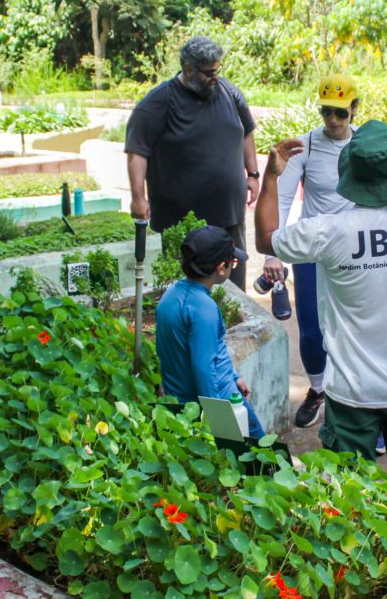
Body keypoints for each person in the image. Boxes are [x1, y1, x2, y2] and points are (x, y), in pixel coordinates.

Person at [255, 121, 387, 487]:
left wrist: (272, 178)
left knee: (348, 495)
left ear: (350, 173)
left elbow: (265, 239)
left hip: (350, 391)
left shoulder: (327, 229)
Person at [262, 74, 358, 430]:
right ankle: (318, 389)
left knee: (354, 324)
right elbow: (284, 197)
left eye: (340, 112)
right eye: (326, 112)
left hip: (353, 248)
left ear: (354, 109)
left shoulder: (364, 142)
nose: (332, 120)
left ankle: (352, 396)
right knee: (312, 327)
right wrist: (274, 251)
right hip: (311, 246)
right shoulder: (305, 146)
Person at [124, 37, 259, 289]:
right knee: (186, 288)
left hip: (228, 216)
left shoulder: (230, 93)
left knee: (233, 287)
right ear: (188, 70)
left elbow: (247, 132)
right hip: (181, 223)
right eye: (209, 72)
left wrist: (253, 173)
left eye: (218, 70)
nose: (215, 77)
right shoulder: (158, 102)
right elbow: (136, 152)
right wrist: (137, 197)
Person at [155, 226, 266, 439]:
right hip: (220, 403)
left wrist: (233, 375)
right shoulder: (203, 309)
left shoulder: (171, 295)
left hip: (181, 406)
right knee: (260, 461)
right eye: (232, 262)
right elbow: (202, 367)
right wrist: (218, 422)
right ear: (221, 268)